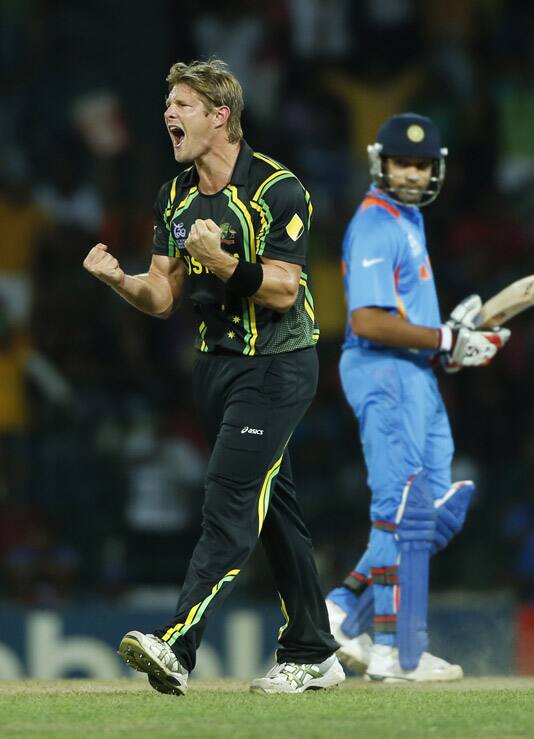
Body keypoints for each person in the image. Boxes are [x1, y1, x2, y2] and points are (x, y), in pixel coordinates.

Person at [83, 58, 343, 695]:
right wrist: (121, 282)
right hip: (217, 370)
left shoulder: (277, 189)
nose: (168, 115)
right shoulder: (174, 195)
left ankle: (177, 646)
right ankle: (313, 650)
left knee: (228, 496)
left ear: (220, 116)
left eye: (182, 105)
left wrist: (221, 262)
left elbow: (283, 290)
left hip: (277, 366)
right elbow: (163, 295)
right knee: (271, 508)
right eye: (168, 105)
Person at [325, 113, 511, 682]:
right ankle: (395, 651)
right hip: (383, 372)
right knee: (400, 511)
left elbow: (408, 320)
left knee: (431, 516)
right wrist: (447, 338)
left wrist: (445, 351)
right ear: (381, 163)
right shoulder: (376, 224)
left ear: (437, 168)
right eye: (403, 162)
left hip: (416, 375)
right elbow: (368, 320)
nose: (411, 173)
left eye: (422, 164)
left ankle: (337, 611)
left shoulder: (408, 221)